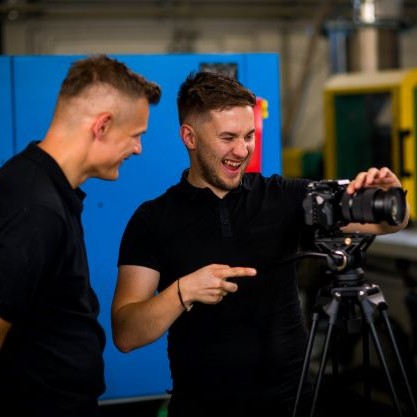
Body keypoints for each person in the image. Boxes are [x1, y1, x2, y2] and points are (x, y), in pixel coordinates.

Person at [111, 71, 409, 417]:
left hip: (292, 404)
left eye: (249, 136)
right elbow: (126, 334)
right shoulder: (152, 220)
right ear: (189, 137)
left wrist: (391, 196)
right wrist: (183, 291)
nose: (242, 150)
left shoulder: (284, 196)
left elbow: (386, 222)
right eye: (228, 137)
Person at [0, 54, 161, 417]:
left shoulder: (40, 185)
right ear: (102, 126)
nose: (138, 148)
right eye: (136, 135)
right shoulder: (36, 207)